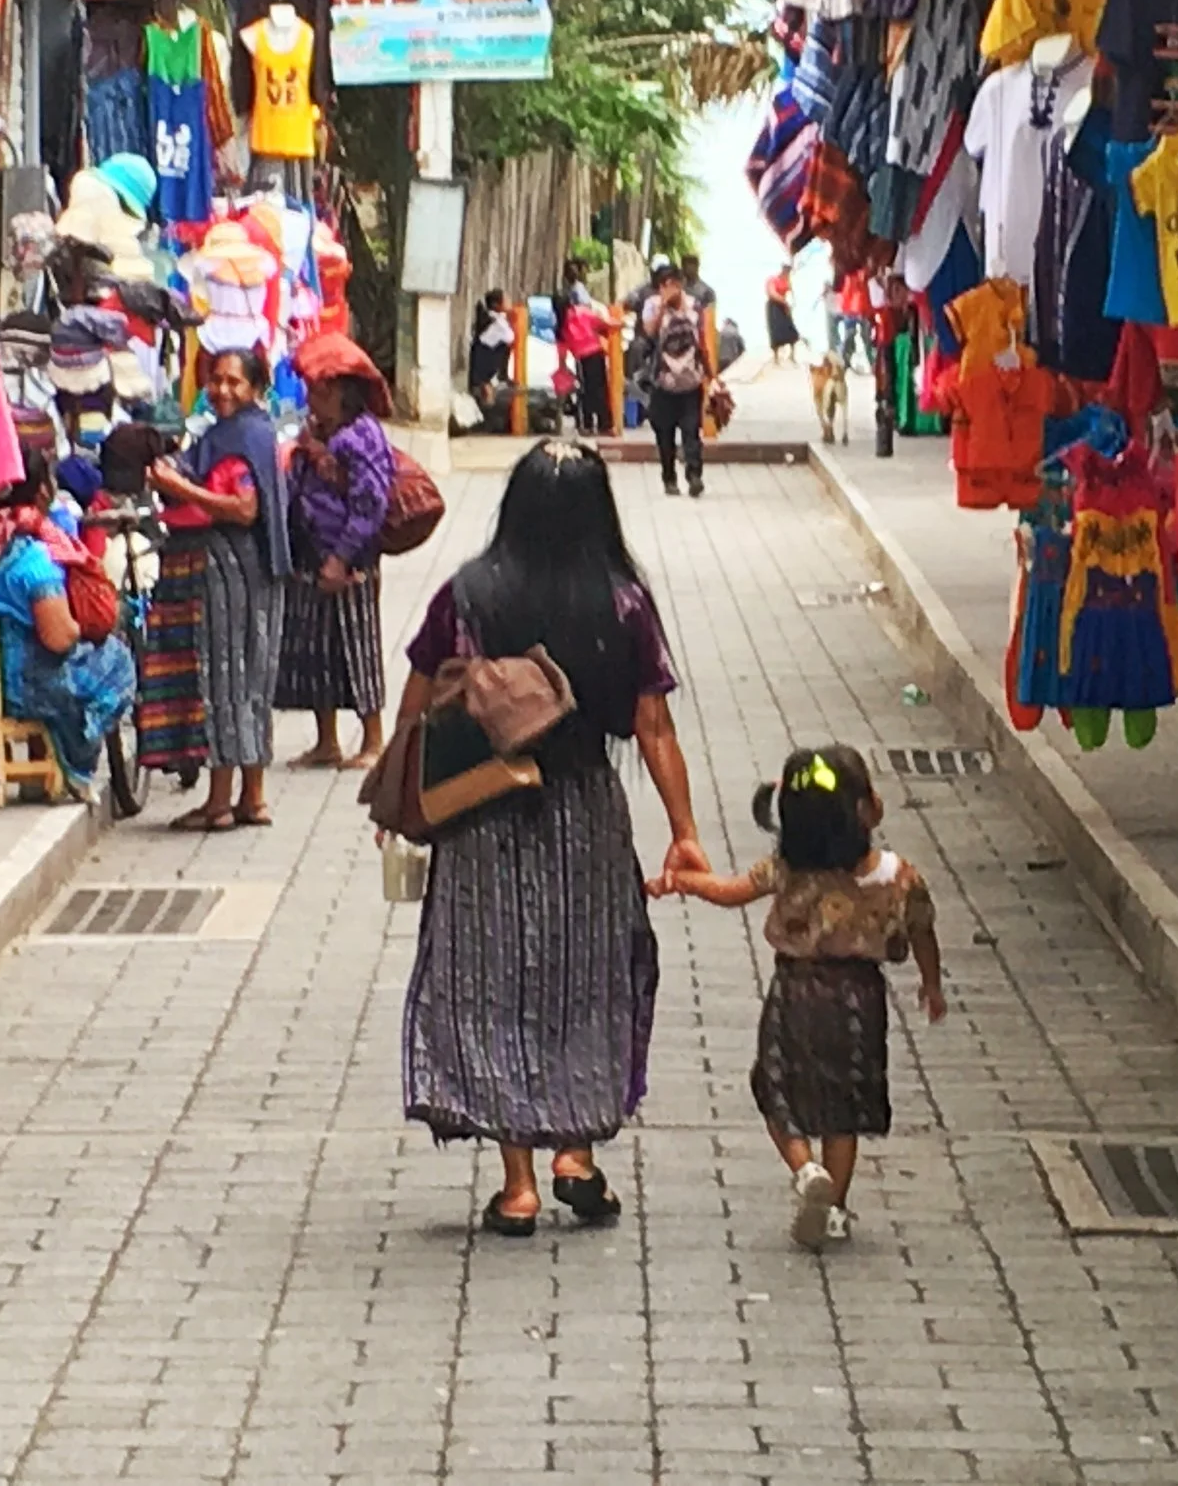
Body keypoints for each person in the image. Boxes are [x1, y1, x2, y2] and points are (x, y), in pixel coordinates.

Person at [398, 440, 707, 1235]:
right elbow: (653, 725)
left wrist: (404, 800)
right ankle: (576, 1152)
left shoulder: (466, 595)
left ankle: (519, 1185)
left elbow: (416, 705)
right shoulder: (623, 601)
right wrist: (684, 831)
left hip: (483, 815)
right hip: (585, 812)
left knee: (494, 982)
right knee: (587, 975)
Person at [659, 745, 944, 1248]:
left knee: (775, 1086)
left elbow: (728, 891)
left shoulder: (785, 868)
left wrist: (682, 881)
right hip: (860, 999)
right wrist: (932, 985)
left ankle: (806, 1169)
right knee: (843, 1107)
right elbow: (923, 932)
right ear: (868, 810)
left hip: (795, 990)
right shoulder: (898, 874)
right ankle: (835, 1209)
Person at [147, 347, 289, 829]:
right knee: (253, 681)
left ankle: (220, 803)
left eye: (234, 381)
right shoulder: (252, 431)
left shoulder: (241, 435)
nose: (222, 390)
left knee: (226, 676)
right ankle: (254, 798)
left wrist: (181, 489)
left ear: (255, 388)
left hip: (231, 567)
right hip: (258, 570)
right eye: (216, 380)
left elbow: (245, 508)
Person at [0, 452, 138, 796]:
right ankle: (77, 759)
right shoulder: (32, 560)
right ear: (43, 491)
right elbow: (60, 638)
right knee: (118, 661)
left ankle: (50, 762)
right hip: (26, 687)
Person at [279, 332, 394, 771]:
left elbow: (370, 504)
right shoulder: (320, 432)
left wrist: (340, 557)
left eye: (317, 391)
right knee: (317, 651)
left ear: (337, 393)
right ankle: (327, 741)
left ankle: (374, 740)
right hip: (312, 553)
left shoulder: (360, 436)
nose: (310, 399)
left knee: (358, 646)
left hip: (349, 560)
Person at [638, 262, 712, 498]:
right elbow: (650, 332)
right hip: (664, 383)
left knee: (691, 432)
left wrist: (711, 375)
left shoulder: (694, 306)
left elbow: (703, 340)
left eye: (673, 285)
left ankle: (694, 476)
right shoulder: (651, 305)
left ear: (680, 285)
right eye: (664, 285)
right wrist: (662, 306)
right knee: (665, 435)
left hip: (690, 381)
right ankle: (669, 478)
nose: (669, 290)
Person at [560, 290, 612, 434]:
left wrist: (562, 364)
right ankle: (604, 423)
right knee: (600, 389)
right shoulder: (583, 312)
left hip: (581, 357)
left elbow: (564, 345)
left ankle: (587, 424)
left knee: (585, 391)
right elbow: (602, 324)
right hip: (595, 352)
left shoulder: (562, 323)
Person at [766, 268, 800, 362]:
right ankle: (776, 357)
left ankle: (792, 355)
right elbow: (772, 293)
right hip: (774, 307)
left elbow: (791, 293)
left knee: (791, 330)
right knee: (775, 331)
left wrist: (789, 302)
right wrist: (783, 301)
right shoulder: (772, 280)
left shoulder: (786, 280)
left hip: (784, 306)